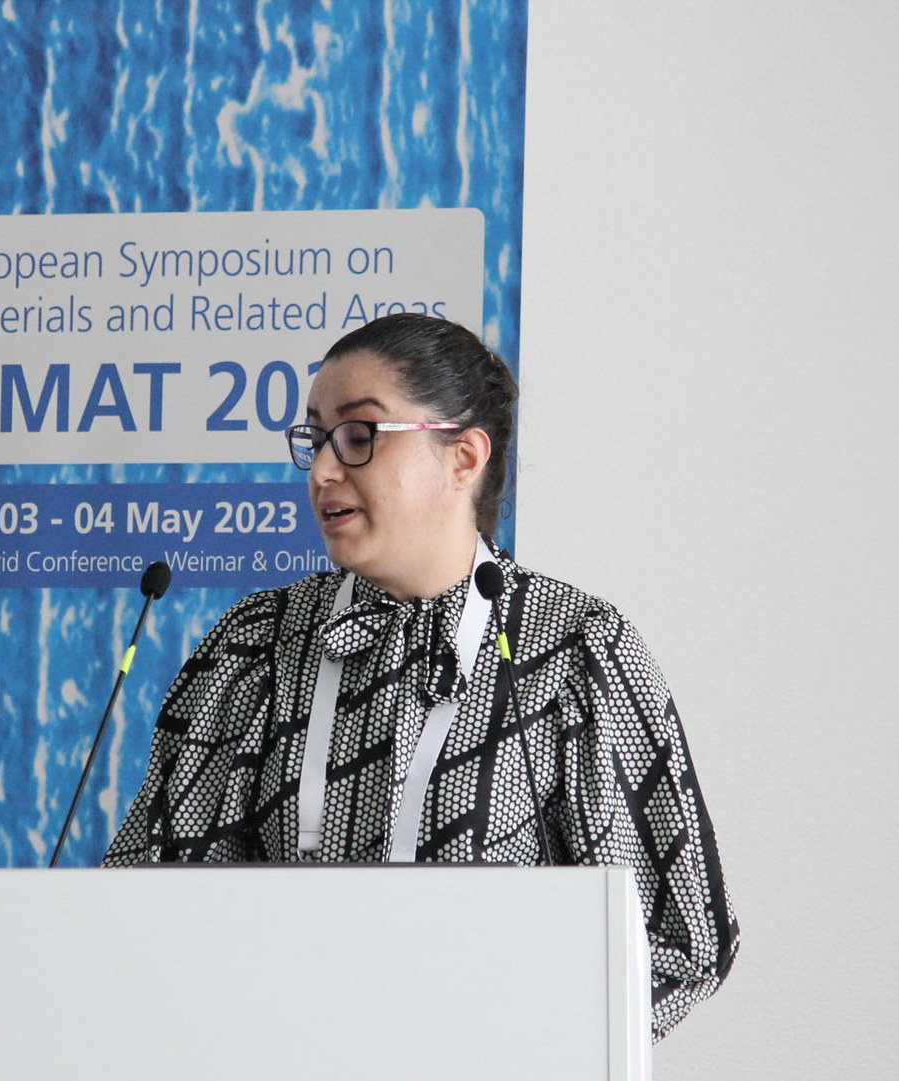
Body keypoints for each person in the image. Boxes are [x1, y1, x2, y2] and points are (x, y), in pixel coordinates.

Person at [103, 313, 738, 1038]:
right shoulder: (257, 643)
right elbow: (150, 901)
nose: (322, 471)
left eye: (358, 435)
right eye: (315, 438)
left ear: (463, 458)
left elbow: (675, 941)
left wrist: (512, 1051)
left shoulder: (572, 647)